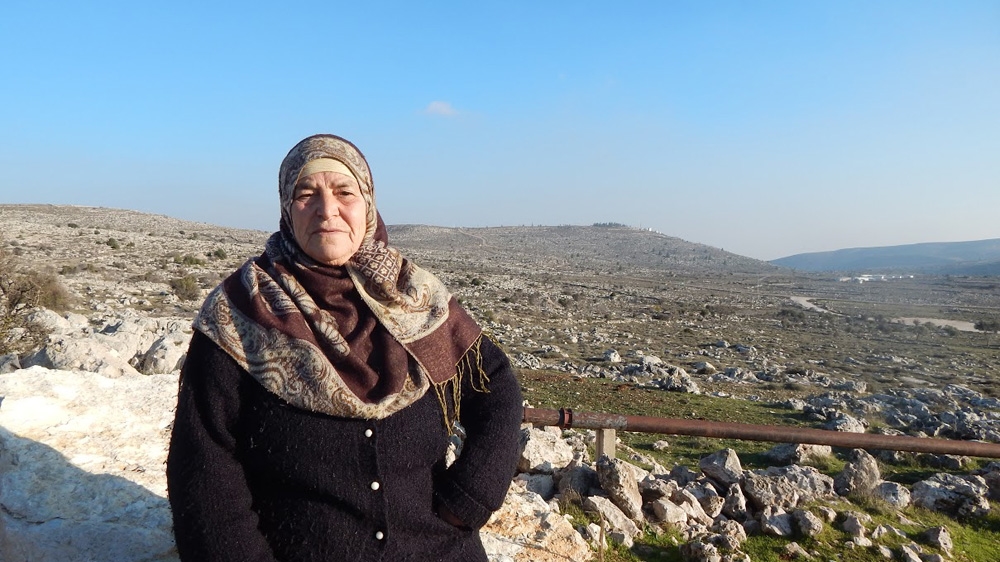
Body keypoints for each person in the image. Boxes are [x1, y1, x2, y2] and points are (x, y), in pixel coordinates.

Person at [166, 134, 524, 561]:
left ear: (367, 204)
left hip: (439, 548)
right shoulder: (241, 312)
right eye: (306, 194)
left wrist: (470, 497)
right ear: (286, 207)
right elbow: (204, 469)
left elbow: (495, 385)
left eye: (344, 192)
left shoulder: (415, 297)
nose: (327, 210)